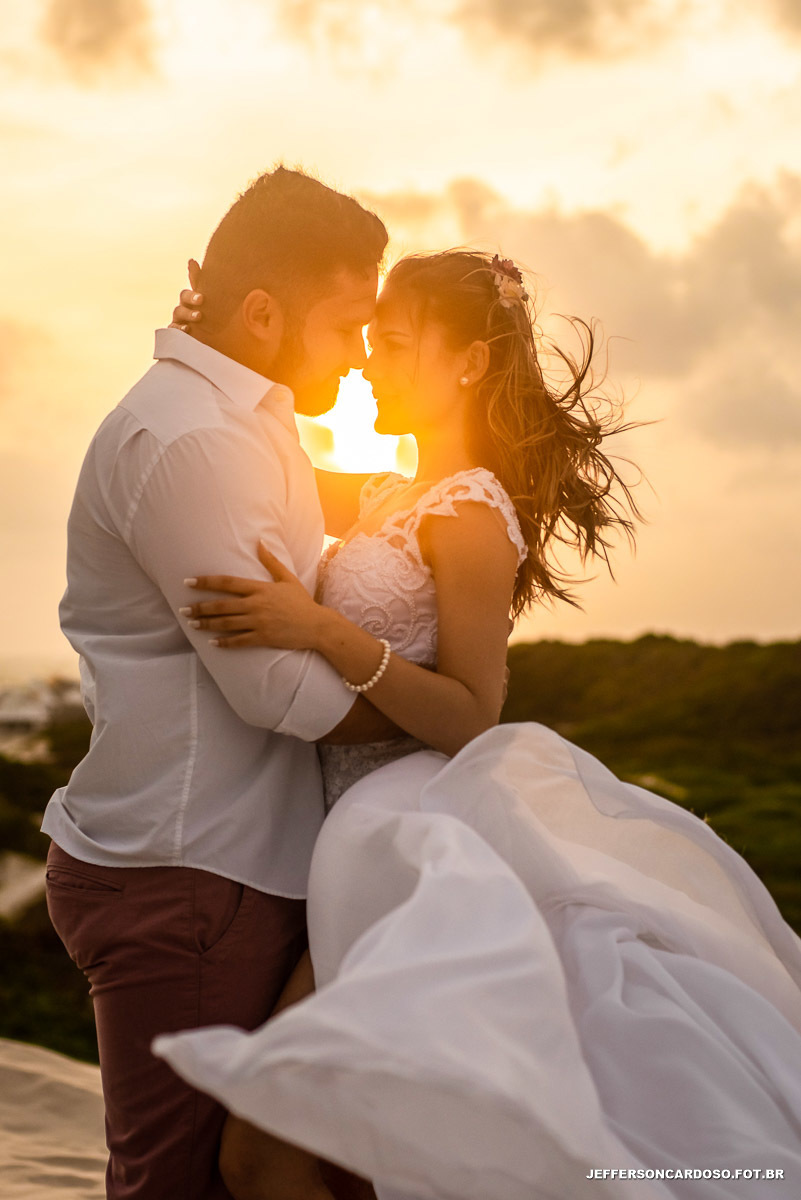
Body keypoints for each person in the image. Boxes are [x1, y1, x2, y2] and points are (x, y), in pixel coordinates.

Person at [157, 249, 801, 1199]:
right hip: (342, 836)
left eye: (396, 346)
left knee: (268, 1154)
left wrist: (323, 629)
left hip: (407, 831)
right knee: (348, 1145)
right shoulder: (385, 492)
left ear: (464, 363)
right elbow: (267, 460)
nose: (370, 365)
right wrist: (215, 343)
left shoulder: (471, 515)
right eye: (368, 344)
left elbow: (471, 714)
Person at [42, 165, 399, 1200]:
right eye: (348, 327)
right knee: (181, 1185)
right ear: (260, 313)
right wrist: (443, 721)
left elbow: (300, 494)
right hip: (191, 874)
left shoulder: (245, 412)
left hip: (239, 865)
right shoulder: (193, 437)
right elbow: (276, 693)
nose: (363, 356)